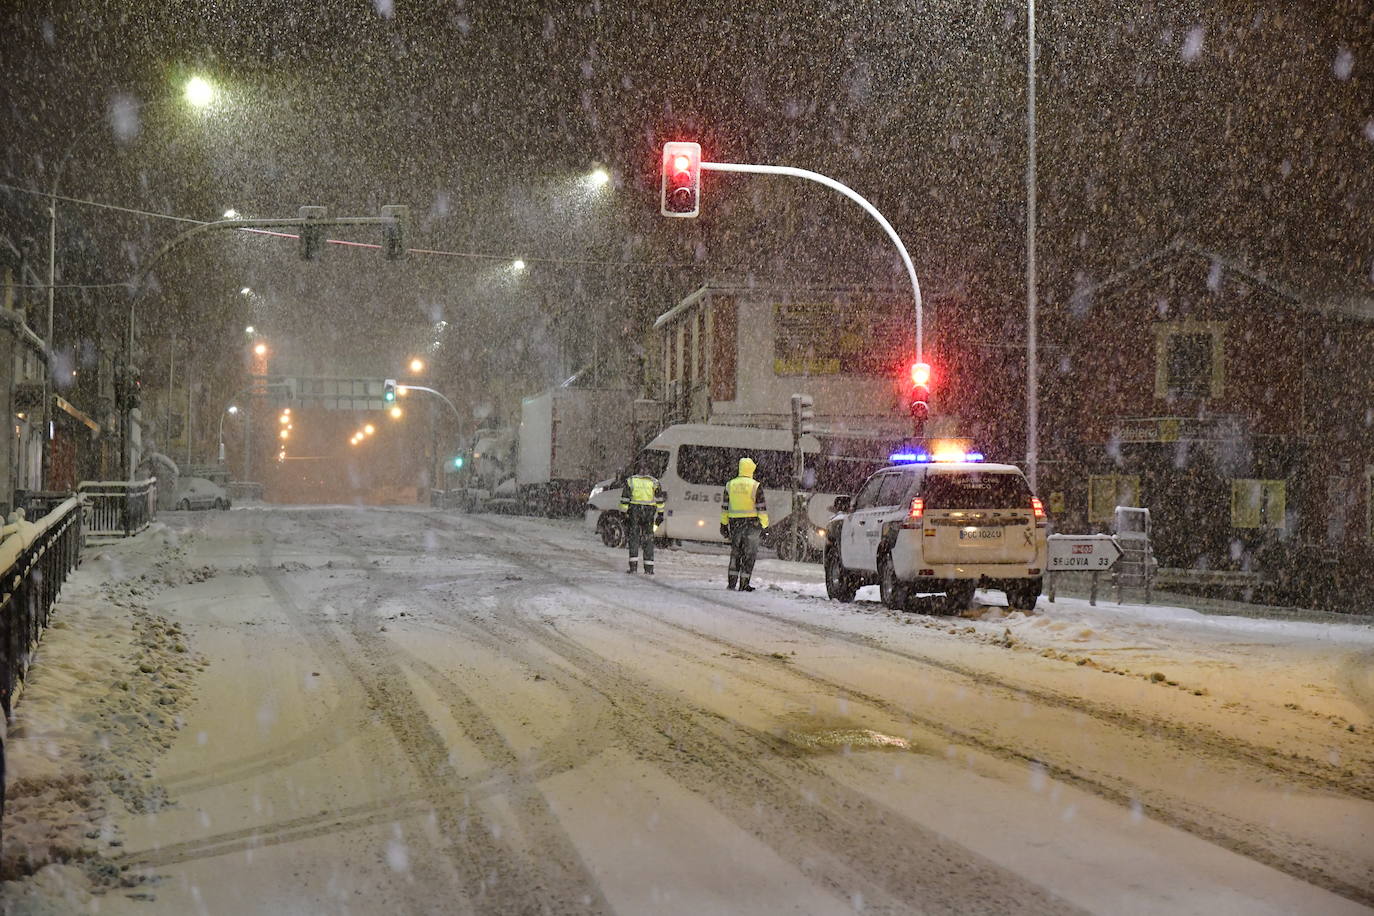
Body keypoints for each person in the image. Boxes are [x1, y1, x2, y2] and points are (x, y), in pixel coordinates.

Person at [719, 456, 769, 591]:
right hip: (752, 524)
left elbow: (725, 507)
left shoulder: (730, 485)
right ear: (751, 469)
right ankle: (744, 583)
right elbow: (761, 508)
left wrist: (723, 524)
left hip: (735, 523)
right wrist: (764, 526)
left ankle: (731, 583)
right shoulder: (755, 486)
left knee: (736, 553)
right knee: (749, 554)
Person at [619, 462, 666, 574]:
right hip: (649, 512)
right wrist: (660, 514)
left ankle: (633, 567)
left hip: (634, 511)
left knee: (634, 538)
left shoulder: (631, 481)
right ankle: (649, 569)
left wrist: (623, 513)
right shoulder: (654, 482)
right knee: (648, 539)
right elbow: (659, 499)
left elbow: (625, 499)